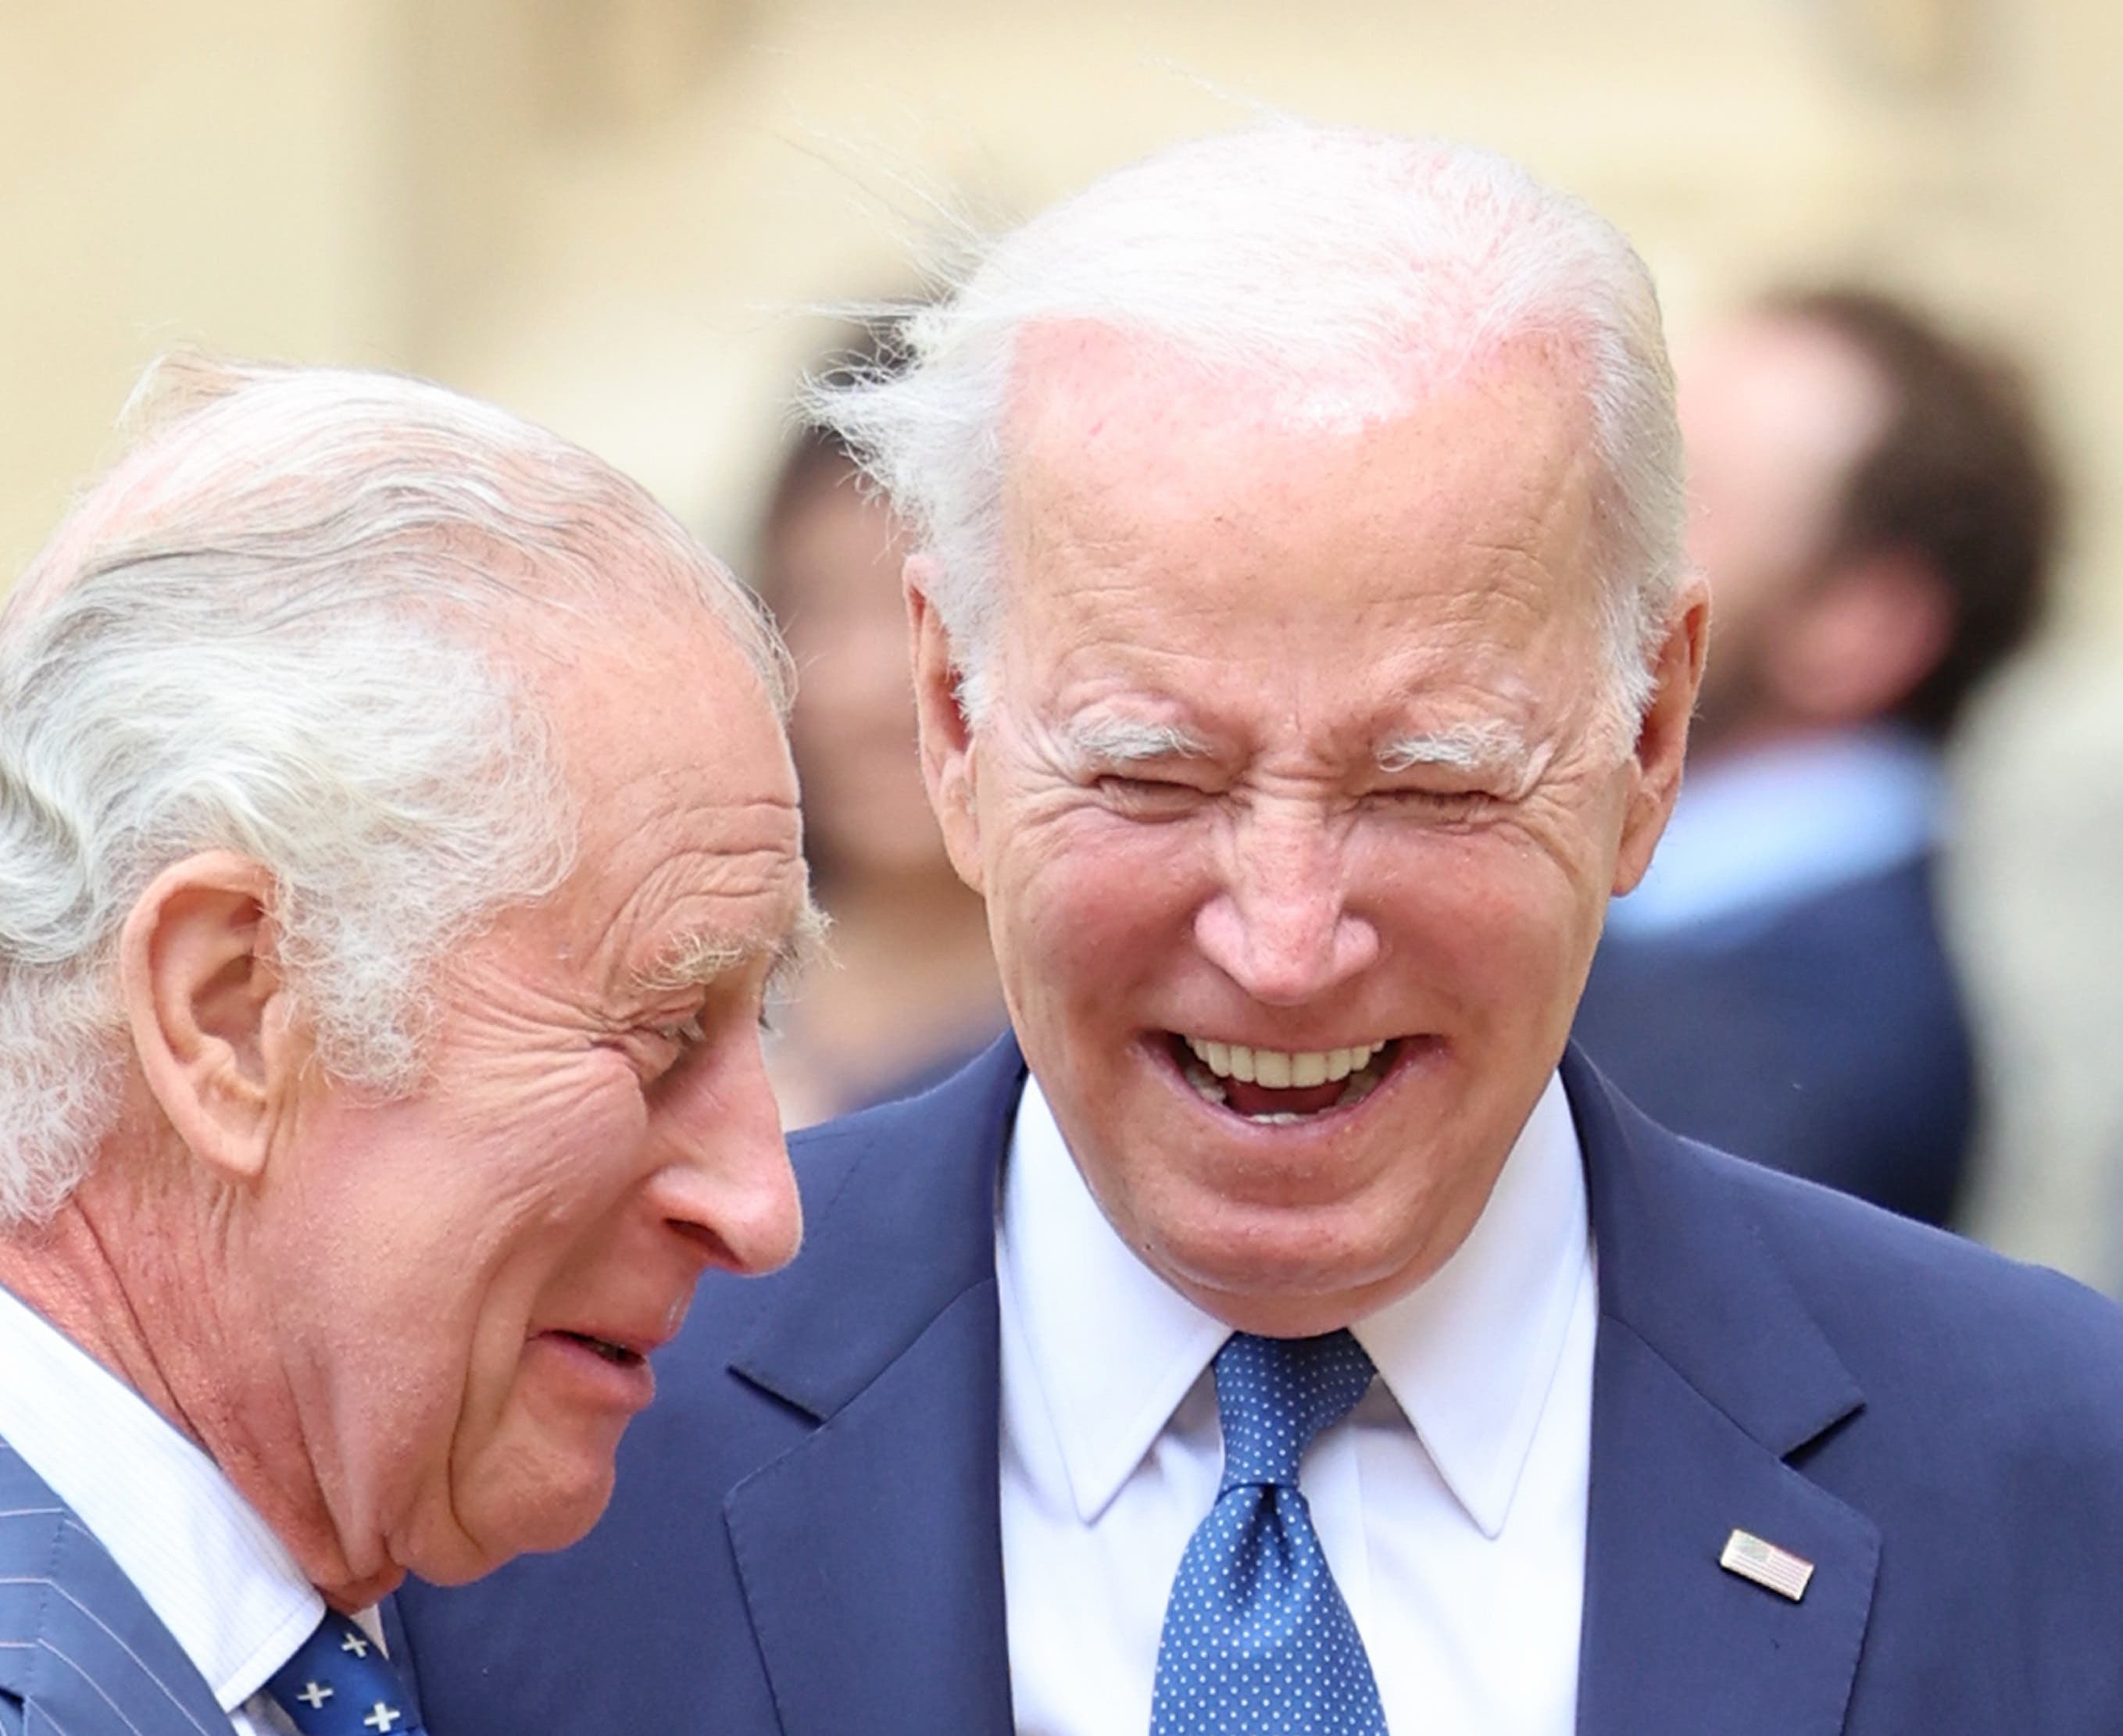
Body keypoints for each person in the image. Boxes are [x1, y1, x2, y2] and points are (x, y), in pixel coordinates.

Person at [392, 120, 2123, 1735]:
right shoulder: (526, 1448)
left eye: (1429, 786)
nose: (1284, 945)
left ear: (1648, 736)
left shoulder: (2053, 1473)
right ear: (952, 717)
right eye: (1152, 774)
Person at [0, 358, 815, 1734]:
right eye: (661, 1030)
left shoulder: (441, 1615)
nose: (763, 1203)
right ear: (228, 1010)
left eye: (760, 1021)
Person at [1574, 288, 2058, 1226]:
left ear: (1859, 627)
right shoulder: (1678, 939)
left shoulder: (1806, 1048)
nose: (1586, 528)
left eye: (1676, 492)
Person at [754, 326, 1003, 1126]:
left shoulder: (1090, 1047)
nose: (869, 684)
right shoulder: (694, 989)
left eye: (927, 613)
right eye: (820, 603)